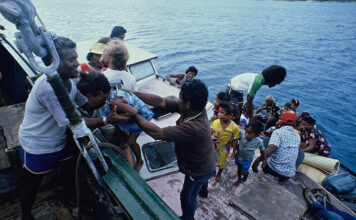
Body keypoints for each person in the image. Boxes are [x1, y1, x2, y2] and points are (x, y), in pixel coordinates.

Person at [126, 79, 216, 220]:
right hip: (209, 157)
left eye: (181, 99)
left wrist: (133, 113)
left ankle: (188, 218)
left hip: (199, 168)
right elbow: (161, 102)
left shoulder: (195, 128)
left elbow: (158, 133)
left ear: (187, 104)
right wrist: (133, 93)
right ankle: (204, 191)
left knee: (187, 197)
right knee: (201, 184)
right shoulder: (196, 108)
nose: (179, 101)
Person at [101, 79, 154, 171]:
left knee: (131, 141)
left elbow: (134, 112)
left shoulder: (115, 101)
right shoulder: (110, 87)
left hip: (141, 115)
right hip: (130, 111)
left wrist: (120, 117)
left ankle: (139, 161)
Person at [252, 112, 300, 181]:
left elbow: (272, 149)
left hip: (274, 171)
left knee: (266, 140)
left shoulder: (278, 132)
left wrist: (256, 163)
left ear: (281, 121)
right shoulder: (297, 136)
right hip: (288, 175)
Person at [211, 101, 240, 183]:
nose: (219, 114)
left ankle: (219, 173)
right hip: (213, 145)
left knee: (222, 162)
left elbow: (235, 140)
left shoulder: (234, 127)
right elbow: (210, 132)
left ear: (230, 116)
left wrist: (234, 151)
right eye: (219, 112)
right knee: (212, 159)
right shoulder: (215, 122)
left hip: (224, 148)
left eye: (222, 113)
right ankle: (213, 170)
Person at [231, 119, 265, 187]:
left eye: (249, 133)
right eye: (246, 132)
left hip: (247, 159)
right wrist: (233, 152)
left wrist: (264, 160)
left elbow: (262, 151)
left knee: (244, 171)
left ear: (256, 135)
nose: (246, 134)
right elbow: (235, 138)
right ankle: (239, 179)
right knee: (239, 168)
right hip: (239, 155)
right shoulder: (242, 134)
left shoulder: (259, 141)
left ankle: (246, 175)